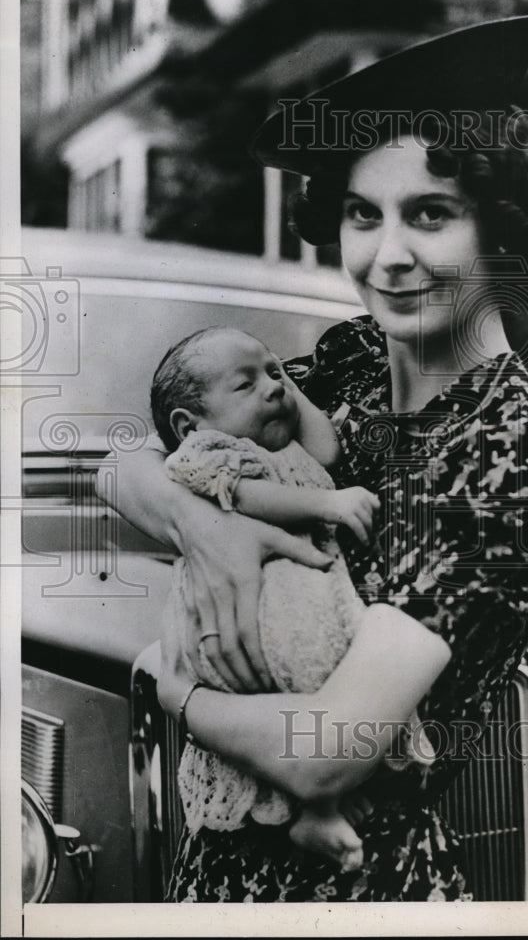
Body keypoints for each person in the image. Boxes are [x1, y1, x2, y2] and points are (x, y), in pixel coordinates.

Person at [102, 14, 528, 901]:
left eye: (430, 215)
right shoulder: (351, 358)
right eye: (365, 214)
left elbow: (330, 753)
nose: (388, 256)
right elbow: (131, 459)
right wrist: (204, 529)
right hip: (213, 879)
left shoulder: (511, 450)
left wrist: (169, 690)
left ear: (497, 227)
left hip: (360, 889)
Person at [149, 325, 433, 871]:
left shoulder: (294, 447)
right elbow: (248, 496)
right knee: (299, 690)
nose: (272, 388)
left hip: (309, 596)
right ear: (190, 424)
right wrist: (327, 507)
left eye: (275, 373)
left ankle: (327, 800)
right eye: (244, 384)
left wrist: (282, 386)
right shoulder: (210, 453)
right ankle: (318, 808)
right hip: (261, 605)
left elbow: (328, 445)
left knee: (331, 686)